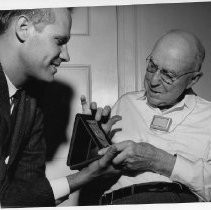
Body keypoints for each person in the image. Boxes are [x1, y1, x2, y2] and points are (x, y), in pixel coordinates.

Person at [0, 8, 121, 208]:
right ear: (23, 28)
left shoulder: (31, 100)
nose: (66, 55)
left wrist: (87, 161)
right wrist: (86, 175)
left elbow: (27, 189)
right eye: (59, 41)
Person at [97, 29, 211, 204]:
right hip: (118, 201)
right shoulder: (126, 103)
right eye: (152, 66)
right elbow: (93, 170)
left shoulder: (208, 116)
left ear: (193, 80)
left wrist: (158, 160)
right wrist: (94, 142)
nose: (153, 80)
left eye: (168, 75)